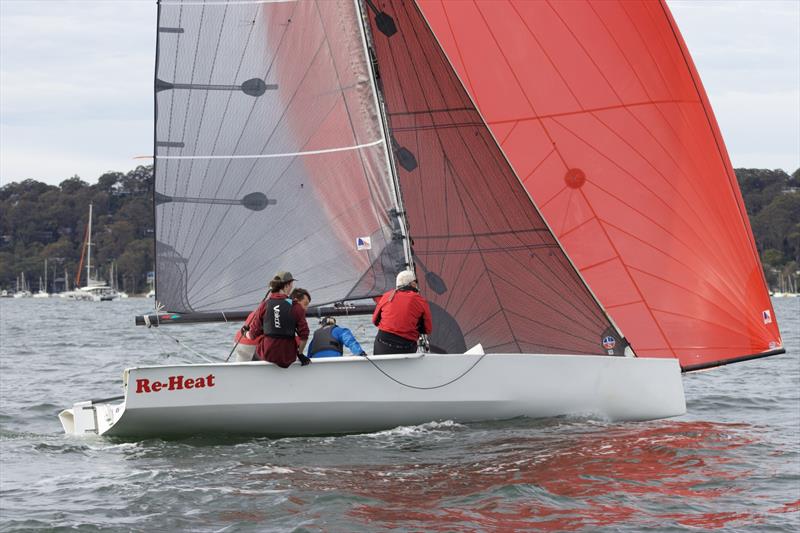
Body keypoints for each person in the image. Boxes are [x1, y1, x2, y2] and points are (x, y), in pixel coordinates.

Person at [247, 271, 311, 367]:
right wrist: (300, 353)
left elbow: (252, 335)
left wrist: (245, 332)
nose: (291, 288)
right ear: (286, 285)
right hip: (287, 358)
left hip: (266, 355)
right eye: (291, 285)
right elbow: (304, 334)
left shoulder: (265, 305)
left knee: (258, 352)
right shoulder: (296, 307)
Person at [372, 269, 432, 355]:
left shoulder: (386, 296)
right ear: (412, 284)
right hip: (406, 347)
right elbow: (427, 329)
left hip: (383, 344)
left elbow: (375, 321)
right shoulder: (421, 301)